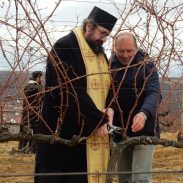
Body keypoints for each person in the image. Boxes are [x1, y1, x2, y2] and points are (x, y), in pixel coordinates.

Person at [35, 6, 117, 183]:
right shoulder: (64, 47)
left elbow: (108, 86)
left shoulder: (100, 54)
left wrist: (109, 108)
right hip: (64, 135)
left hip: (91, 132)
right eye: (102, 33)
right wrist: (98, 120)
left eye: (107, 36)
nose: (103, 40)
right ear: (89, 27)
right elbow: (68, 90)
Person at [107, 32, 161, 183]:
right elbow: (108, 96)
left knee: (141, 179)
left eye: (129, 51)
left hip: (145, 132)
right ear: (114, 49)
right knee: (123, 178)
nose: (125, 55)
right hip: (120, 131)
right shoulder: (109, 66)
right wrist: (110, 108)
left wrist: (143, 114)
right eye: (120, 51)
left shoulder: (147, 66)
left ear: (136, 49)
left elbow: (154, 93)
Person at [18, 71, 43, 153]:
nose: (41, 79)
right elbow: (41, 98)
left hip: (26, 111)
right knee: (35, 130)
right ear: (38, 78)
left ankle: (22, 148)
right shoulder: (35, 87)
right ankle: (33, 149)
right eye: (40, 78)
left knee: (24, 130)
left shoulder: (27, 86)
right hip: (33, 113)